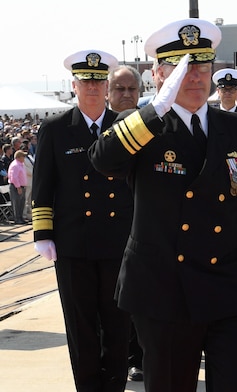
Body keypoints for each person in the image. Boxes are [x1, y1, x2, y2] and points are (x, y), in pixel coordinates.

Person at [88, 18, 237, 392]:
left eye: (202, 66)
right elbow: (103, 160)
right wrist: (153, 111)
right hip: (164, 289)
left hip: (230, 285)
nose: (196, 77)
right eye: (184, 68)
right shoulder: (143, 128)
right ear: (159, 73)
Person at [32, 49, 134, 391]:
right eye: (85, 81)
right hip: (74, 244)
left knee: (118, 327)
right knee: (81, 328)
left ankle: (115, 385)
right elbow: (43, 185)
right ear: (74, 86)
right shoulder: (56, 129)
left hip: (119, 242)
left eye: (98, 80)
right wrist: (42, 232)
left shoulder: (124, 127)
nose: (92, 87)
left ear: (107, 86)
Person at [107, 64, 144, 383]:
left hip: (144, 230)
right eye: (119, 89)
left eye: (132, 89)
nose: (126, 95)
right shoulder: (101, 130)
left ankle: (140, 356)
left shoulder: (153, 127)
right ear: (108, 93)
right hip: (105, 233)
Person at [7, 149, 27, 224]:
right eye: (23, 156)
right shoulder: (15, 165)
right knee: (17, 203)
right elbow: (14, 177)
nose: (24, 158)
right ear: (19, 157)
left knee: (21, 203)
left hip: (22, 186)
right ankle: (17, 219)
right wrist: (18, 187)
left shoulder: (21, 164)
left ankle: (20, 217)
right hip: (16, 187)